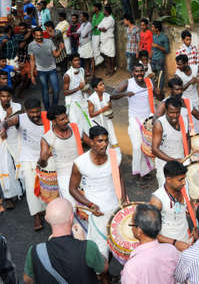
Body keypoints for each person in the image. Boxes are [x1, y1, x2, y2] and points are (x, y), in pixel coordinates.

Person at [69, 125, 126, 261]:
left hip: (115, 208)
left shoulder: (114, 157)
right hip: (96, 213)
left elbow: (120, 178)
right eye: (100, 141)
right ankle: (103, 277)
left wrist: (123, 199)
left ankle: (106, 274)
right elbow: (72, 188)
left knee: (115, 245)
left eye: (106, 140)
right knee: (100, 250)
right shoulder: (80, 162)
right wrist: (90, 205)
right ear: (91, 142)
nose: (104, 144)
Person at [23, 198, 108, 284]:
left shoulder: (35, 251)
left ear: (47, 219)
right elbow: (104, 267)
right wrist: (83, 241)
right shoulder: (88, 247)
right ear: (71, 218)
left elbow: (27, 280)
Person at [1, 98, 48, 230]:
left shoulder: (47, 117)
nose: (35, 115)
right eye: (31, 112)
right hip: (28, 159)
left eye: (37, 111)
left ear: (41, 108)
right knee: (32, 189)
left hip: (46, 157)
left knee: (47, 186)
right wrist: (3, 129)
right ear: (26, 111)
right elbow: (5, 123)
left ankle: (47, 211)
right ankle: (36, 216)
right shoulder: (20, 119)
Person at [38, 105, 88, 206]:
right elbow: (42, 164)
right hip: (64, 176)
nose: (66, 121)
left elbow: (91, 143)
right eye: (62, 119)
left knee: (87, 203)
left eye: (66, 117)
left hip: (81, 171)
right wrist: (43, 159)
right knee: (71, 206)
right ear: (54, 122)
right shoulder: (47, 138)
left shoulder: (75, 128)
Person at [112, 63, 156, 177]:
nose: (139, 74)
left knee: (147, 146)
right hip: (134, 118)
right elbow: (113, 95)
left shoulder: (149, 82)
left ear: (144, 71)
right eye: (136, 71)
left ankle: (146, 171)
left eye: (141, 71)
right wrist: (126, 93)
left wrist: (158, 92)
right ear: (132, 72)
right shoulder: (128, 83)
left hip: (148, 119)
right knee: (137, 147)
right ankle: (137, 172)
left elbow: (158, 96)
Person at [121, 204, 179, 284]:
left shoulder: (132, 267)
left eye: (132, 225)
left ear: (139, 231)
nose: (131, 228)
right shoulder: (171, 250)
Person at [149, 160, 192, 251]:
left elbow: (192, 205)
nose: (184, 182)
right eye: (180, 180)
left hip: (186, 239)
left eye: (184, 178)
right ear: (168, 179)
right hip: (168, 247)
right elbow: (151, 232)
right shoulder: (157, 200)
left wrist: (196, 227)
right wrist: (175, 243)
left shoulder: (183, 187)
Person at [152, 97, 190, 187]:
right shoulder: (159, 124)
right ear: (166, 111)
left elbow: (187, 138)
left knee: (184, 191)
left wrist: (187, 156)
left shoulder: (184, 120)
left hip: (181, 161)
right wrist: (173, 161)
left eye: (177, 112)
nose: (175, 115)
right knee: (166, 193)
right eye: (171, 112)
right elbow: (154, 149)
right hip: (164, 163)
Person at [28, 27, 65, 110]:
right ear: (33, 35)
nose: (39, 37)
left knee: (56, 89)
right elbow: (32, 60)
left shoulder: (49, 42)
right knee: (45, 90)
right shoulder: (31, 45)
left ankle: (54, 106)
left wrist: (60, 49)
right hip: (41, 71)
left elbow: (55, 55)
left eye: (40, 35)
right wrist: (32, 75)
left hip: (52, 69)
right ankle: (47, 110)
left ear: (42, 34)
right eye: (37, 35)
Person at [0, 85, 22, 212]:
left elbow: (21, 122)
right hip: (2, 142)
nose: (5, 99)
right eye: (2, 96)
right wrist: (6, 118)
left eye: (8, 96)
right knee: (6, 167)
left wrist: (9, 117)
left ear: (11, 97)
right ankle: (8, 197)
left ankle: (21, 189)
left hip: (16, 139)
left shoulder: (18, 107)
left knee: (19, 165)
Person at [174, 54, 199, 133]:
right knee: (185, 122)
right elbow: (178, 90)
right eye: (177, 64)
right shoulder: (177, 74)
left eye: (180, 64)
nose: (178, 66)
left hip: (195, 99)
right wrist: (189, 82)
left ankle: (196, 140)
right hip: (183, 101)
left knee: (197, 122)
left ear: (186, 63)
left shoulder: (195, 67)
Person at [63, 53, 91, 134]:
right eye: (75, 60)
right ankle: (78, 139)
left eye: (79, 60)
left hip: (83, 99)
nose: (78, 62)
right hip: (73, 102)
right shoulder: (67, 75)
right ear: (70, 63)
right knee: (76, 122)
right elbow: (65, 92)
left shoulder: (82, 70)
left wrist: (87, 89)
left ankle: (86, 136)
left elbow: (84, 84)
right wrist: (78, 88)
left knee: (85, 119)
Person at [88, 77, 119, 149]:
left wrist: (110, 114)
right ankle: (105, 155)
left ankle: (114, 156)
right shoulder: (91, 99)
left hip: (106, 120)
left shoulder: (107, 96)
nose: (103, 86)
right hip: (96, 123)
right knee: (102, 140)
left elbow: (109, 108)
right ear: (95, 88)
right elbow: (91, 115)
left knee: (112, 137)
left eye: (103, 84)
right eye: (100, 85)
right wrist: (102, 110)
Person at [151, 21, 170, 99]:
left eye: (152, 27)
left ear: (157, 29)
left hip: (160, 59)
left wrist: (157, 46)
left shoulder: (164, 37)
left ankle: (160, 92)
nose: (151, 28)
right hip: (154, 58)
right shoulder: (154, 36)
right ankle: (156, 90)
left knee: (161, 74)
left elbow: (167, 50)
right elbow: (152, 48)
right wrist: (150, 57)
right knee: (155, 74)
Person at [98, 5, 116, 76]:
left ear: (107, 11)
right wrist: (101, 28)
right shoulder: (104, 18)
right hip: (104, 40)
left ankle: (112, 69)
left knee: (111, 55)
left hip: (109, 40)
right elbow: (99, 26)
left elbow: (104, 29)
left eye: (104, 10)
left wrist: (101, 28)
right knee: (106, 55)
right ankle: (109, 69)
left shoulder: (111, 19)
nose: (103, 12)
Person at [77, 12, 94, 77]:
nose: (80, 18)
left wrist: (81, 33)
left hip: (87, 43)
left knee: (88, 58)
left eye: (81, 17)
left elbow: (83, 34)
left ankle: (90, 71)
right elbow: (78, 32)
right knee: (85, 58)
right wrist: (81, 33)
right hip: (82, 43)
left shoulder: (89, 24)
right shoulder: (83, 24)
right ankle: (87, 71)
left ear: (85, 17)